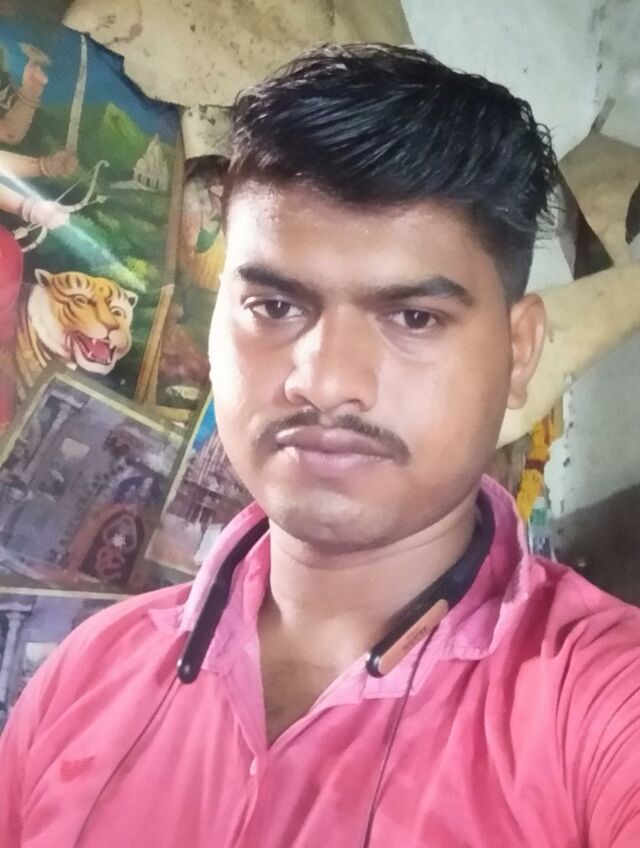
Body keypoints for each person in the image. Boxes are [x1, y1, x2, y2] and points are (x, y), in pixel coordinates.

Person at [1, 43, 639, 848]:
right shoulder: (90, 673)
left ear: (517, 354)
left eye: (413, 318)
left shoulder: (599, 704)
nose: (327, 382)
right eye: (275, 307)